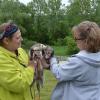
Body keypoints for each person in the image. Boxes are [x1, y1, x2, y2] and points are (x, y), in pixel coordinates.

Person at [48, 21, 100, 100]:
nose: (75, 42)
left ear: (86, 41)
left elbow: (59, 73)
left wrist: (52, 59)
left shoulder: (79, 61)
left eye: (76, 39)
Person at [0, 21, 35, 100]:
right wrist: (32, 67)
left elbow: (29, 76)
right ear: (6, 41)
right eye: (18, 37)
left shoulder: (20, 51)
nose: (22, 39)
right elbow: (18, 83)